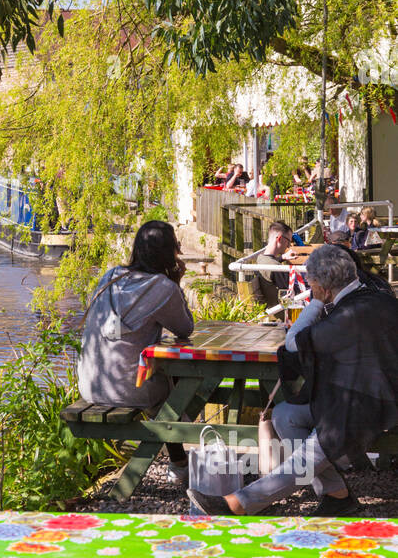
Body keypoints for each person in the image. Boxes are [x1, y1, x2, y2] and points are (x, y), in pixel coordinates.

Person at [189, 245, 398, 517]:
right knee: (286, 416)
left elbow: (293, 343)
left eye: (311, 285)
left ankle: (240, 503)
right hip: (371, 393)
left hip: (372, 403)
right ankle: (337, 495)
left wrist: (316, 303)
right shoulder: (373, 297)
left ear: (323, 287)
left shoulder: (347, 316)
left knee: (320, 441)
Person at [78, 220, 194, 488]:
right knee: (170, 386)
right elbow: (184, 328)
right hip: (129, 389)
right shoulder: (162, 287)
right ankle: (180, 464)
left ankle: (181, 455)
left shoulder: (110, 276)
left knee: (161, 377)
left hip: (90, 383)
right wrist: (175, 283)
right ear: (170, 252)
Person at [247, 220, 293, 309]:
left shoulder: (260, 258)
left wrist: (282, 257)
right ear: (279, 239)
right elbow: (290, 294)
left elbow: (270, 261)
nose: (289, 246)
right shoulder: (277, 268)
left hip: (270, 307)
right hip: (282, 312)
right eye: (288, 241)